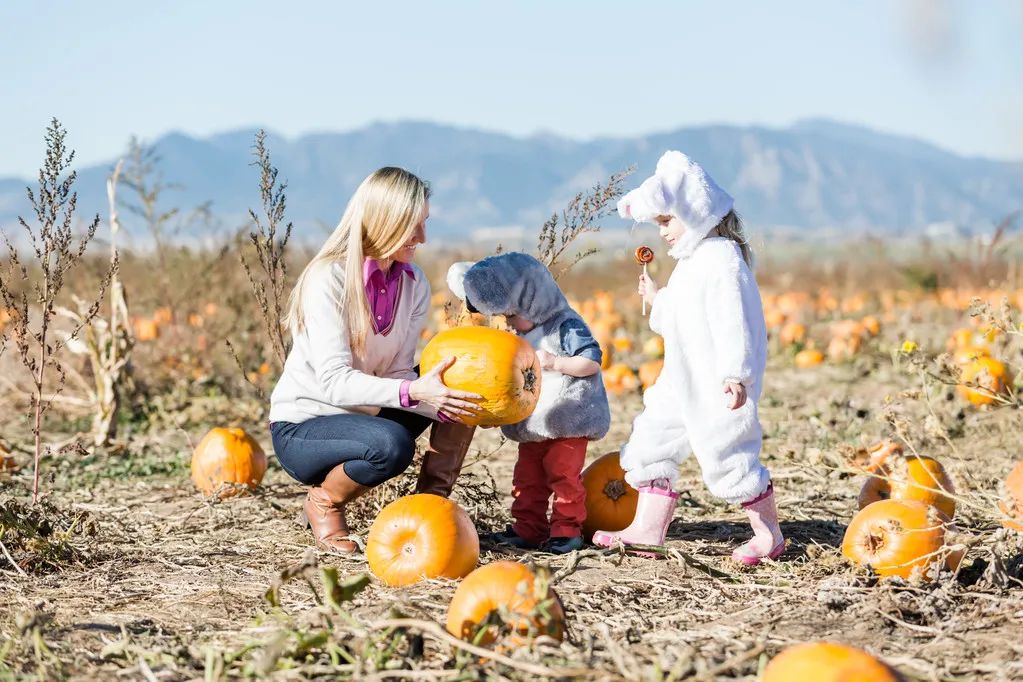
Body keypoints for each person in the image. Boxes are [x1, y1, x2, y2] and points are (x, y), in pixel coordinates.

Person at [269, 166, 481, 554]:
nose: (422, 238)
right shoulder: (328, 279)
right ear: (384, 222)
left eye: (424, 224)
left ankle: (429, 509)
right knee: (391, 445)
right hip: (306, 427)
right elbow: (334, 382)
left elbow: (399, 371)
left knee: (466, 381)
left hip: (367, 415)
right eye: (412, 226)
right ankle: (324, 503)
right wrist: (415, 391)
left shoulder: (413, 284)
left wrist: (442, 399)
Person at [592, 151, 784, 565]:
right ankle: (647, 529)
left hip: (716, 382)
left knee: (727, 455)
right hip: (679, 378)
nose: (662, 233)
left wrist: (736, 374)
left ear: (693, 211)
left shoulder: (723, 261)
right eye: (658, 223)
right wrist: (657, 299)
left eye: (666, 221)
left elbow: (737, 322)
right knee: (650, 442)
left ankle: (769, 536)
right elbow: (678, 320)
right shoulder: (691, 261)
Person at [448, 253, 611, 554]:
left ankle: (566, 531)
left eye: (512, 315)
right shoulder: (523, 334)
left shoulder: (565, 325)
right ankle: (529, 529)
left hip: (567, 422)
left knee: (564, 478)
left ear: (531, 302)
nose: (510, 323)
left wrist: (557, 362)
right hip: (535, 423)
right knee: (527, 480)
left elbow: (591, 362)